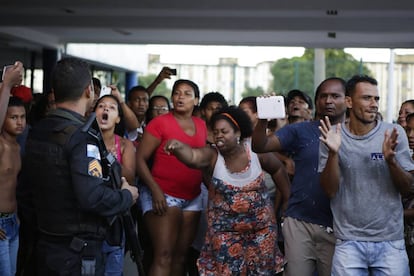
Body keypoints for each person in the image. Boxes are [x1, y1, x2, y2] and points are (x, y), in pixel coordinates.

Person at [22, 57, 138, 275]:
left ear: (55, 92)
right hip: (76, 252)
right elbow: (92, 197)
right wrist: (126, 196)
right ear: (88, 91)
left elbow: (25, 192)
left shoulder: (39, 129)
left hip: (45, 243)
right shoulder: (81, 138)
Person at [165, 106, 289, 275]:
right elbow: (193, 157)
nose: (219, 136)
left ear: (238, 133)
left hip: (261, 231)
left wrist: (288, 198)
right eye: (215, 132)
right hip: (224, 233)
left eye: (224, 131)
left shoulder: (255, 152)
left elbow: (278, 170)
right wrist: (178, 147)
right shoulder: (213, 155)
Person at [319, 74, 414, 275]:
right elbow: (329, 190)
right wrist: (333, 153)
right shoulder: (332, 135)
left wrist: (391, 161)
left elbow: (407, 189)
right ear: (349, 101)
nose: (373, 104)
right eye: (366, 98)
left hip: (390, 242)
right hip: (348, 241)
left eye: (376, 99)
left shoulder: (394, 132)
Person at [252, 77, 347, 276]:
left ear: (347, 100)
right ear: (317, 100)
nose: (328, 101)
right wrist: (263, 118)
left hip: (339, 226)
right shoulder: (299, 130)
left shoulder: (357, 133)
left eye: (335, 96)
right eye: (323, 96)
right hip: (299, 222)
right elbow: (259, 146)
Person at [136, 79, 206, 276]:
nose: (180, 97)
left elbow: (206, 160)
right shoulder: (160, 123)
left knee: (180, 257)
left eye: (187, 93)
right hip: (164, 195)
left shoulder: (201, 125)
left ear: (196, 100)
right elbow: (139, 160)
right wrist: (155, 190)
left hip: (193, 197)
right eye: (177, 93)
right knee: (164, 255)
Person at [94, 94, 136, 275]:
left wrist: (109, 157)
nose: (105, 110)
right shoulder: (84, 141)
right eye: (101, 106)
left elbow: (130, 178)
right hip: (91, 217)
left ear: (118, 118)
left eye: (111, 108)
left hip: (115, 219)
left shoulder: (125, 145)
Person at [0, 61, 24, 276]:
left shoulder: (17, 146)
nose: (19, 122)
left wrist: (15, 215)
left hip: (12, 221)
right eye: (13, 117)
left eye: (23, 117)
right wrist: (6, 85)